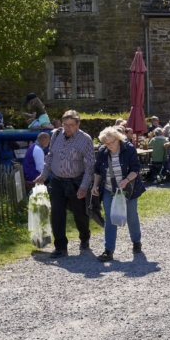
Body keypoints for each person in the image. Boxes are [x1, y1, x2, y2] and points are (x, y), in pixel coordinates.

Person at [34, 110, 96, 258]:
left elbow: (89, 166)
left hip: (76, 182)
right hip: (57, 181)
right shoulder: (56, 135)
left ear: (78, 124)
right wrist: (43, 175)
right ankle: (60, 247)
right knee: (57, 214)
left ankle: (84, 237)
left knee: (80, 214)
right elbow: (50, 156)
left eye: (71, 125)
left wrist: (84, 187)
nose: (68, 128)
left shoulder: (85, 139)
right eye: (65, 124)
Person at [91, 127, 144, 261]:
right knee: (110, 218)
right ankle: (108, 250)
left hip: (128, 189)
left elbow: (136, 169)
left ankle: (136, 242)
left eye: (112, 142)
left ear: (118, 139)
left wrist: (126, 180)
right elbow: (97, 171)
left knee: (131, 215)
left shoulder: (129, 148)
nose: (109, 146)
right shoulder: (103, 151)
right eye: (106, 143)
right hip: (109, 188)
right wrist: (95, 185)